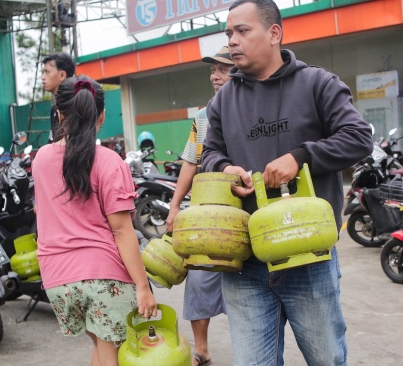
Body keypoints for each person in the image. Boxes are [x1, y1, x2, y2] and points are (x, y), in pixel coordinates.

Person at [200, 0, 374, 364]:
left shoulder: (317, 83)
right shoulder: (223, 101)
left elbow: (358, 137)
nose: (232, 41)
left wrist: (300, 157)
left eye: (242, 31)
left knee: (327, 359)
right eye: (229, 33)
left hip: (307, 253)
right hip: (245, 261)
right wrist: (225, 168)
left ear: (274, 33)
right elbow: (209, 154)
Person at [32, 75, 157, 366]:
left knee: (102, 347)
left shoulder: (40, 159)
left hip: (58, 279)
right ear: (100, 115)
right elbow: (122, 230)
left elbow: (42, 213)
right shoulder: (110, 161)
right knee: (115, 352)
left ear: (59, 114)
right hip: (104, 276)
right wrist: (142, 287)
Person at [165, 45, 233, 366]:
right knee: (198, 276)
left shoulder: (249, 108)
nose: (216, 76)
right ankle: (202, 349)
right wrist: (175, 206)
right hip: (206, 209)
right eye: (213, 70)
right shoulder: (203, 116)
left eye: (224, 69)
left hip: (242, 208)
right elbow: (190, 162)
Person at [41, 52, 76, 143]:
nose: (42, 77)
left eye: (47, 72)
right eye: (43, 72)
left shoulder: (75, 106)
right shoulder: (55, 109)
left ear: (62, 75)